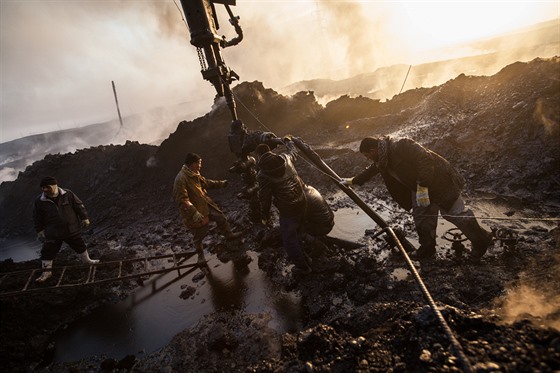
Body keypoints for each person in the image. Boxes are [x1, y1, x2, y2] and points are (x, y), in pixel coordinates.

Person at [341, 136, 493, 260]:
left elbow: (426, 160)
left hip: (440, 182)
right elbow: (371, 171)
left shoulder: (401, 145)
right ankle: (427, 249)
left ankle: (480, 241)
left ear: (373, 150)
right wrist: (352, 181)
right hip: (419, 187)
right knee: (421, 216)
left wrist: (423, 186)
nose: (368, 159)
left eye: (367, 155)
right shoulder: (382, 160)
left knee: (454, 214)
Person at [173, 153, 242, 266]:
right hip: (195, 210)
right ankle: (200, 256)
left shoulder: (194, 174)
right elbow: (182, 200)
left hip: (205, 203)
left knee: (220, 217)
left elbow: (206, 183)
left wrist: (221, 184)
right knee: (199, 235)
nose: (200, 166)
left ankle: (228, 235)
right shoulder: (181, 179)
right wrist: (194, 213)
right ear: (193, 164)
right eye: (199, 164)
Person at [255, 138, 312, 273]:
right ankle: (307, 255)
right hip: (302, 201)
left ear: (257, 156)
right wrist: (288, 142)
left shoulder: (262, 174)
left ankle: (303, 267)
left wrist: (265, 216)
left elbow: (265, 198)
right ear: (270, 151)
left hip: (288, 210)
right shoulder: (286, 158)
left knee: (289, 239)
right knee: (300, 230)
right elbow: (293, 152)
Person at [33, 176, 99, 283]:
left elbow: (79, 206)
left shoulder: (68, 194)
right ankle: (46, 272)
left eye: (47, 187)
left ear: (55, 185)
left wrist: (84, 218)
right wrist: (39, 230)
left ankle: (87, 261)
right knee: (47, 251)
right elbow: (37, 217)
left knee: (79, 244)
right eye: (43, 188)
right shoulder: (39, 201)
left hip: (70, 228)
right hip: (53, 232)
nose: (45, 190)